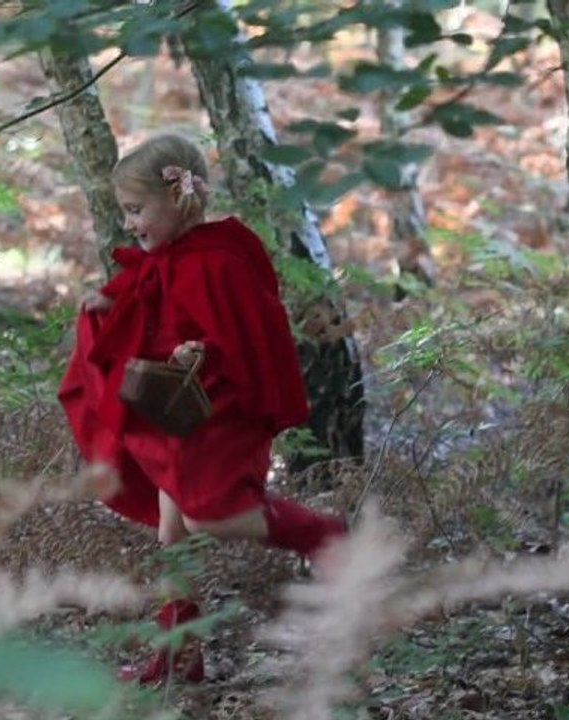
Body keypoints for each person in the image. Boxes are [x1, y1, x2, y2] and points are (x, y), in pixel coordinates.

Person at [58, 133, 347, 686]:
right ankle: (179, 653)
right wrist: (112, 300)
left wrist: (200, 351)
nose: (131, 223)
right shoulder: (173, 254)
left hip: (221, 414)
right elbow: (153, 295)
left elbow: (245, 337)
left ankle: (323, 532)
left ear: (179, 199)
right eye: (127, 211)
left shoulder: (219, 259)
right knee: (174, 536)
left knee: (207, 516)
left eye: (138, 210)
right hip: (180, 416)